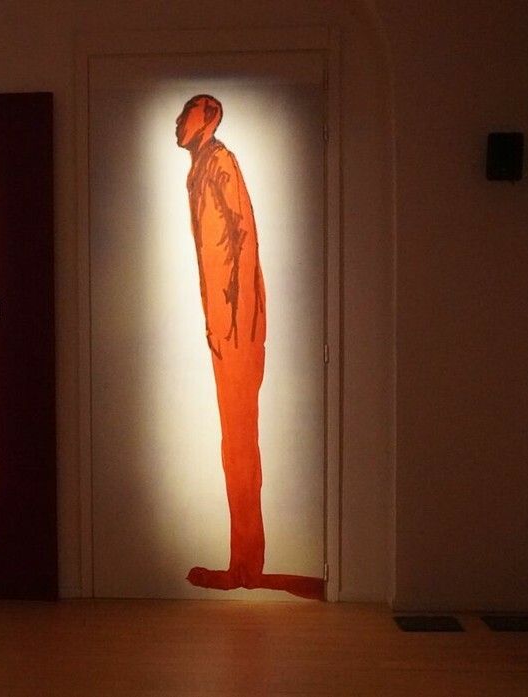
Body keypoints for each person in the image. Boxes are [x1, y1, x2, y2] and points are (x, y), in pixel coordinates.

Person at [176, 94, 324, 600]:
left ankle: (245, 566)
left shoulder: (221, 163)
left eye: (189, 112)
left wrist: (233, 322)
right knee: (235, 442)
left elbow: (245, 241)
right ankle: (244, 564)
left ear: (209, 119)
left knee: (239, 441)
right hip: (225, 326)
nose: (179, 121)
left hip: (238, 327)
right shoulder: (200, 170)